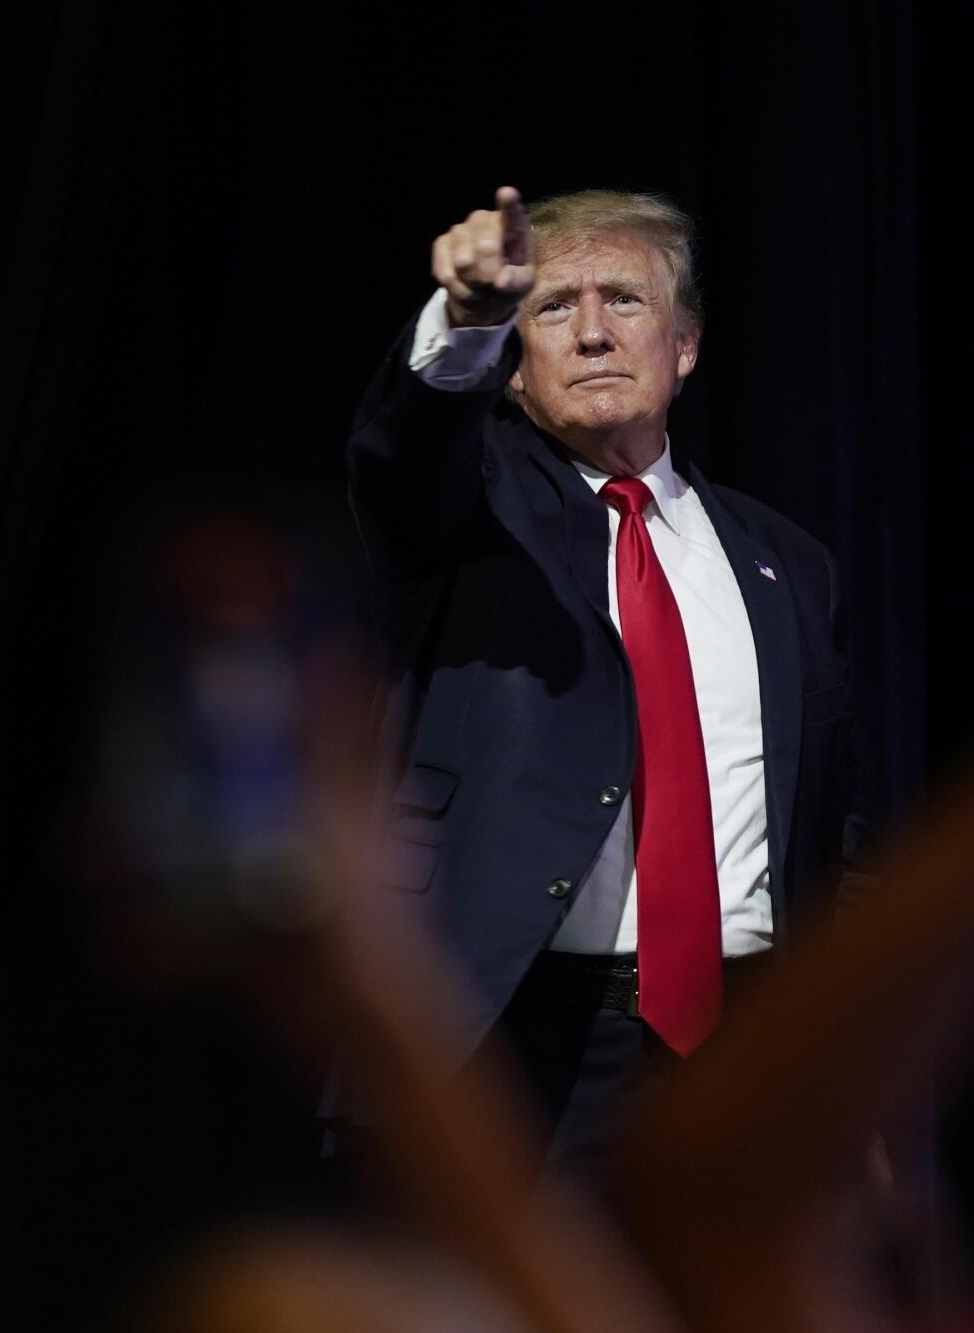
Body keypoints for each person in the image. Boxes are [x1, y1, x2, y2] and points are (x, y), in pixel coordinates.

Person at [341, 185, 872, 1168]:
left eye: (622, 300)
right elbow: (401, 458)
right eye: (551, 308)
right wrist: (462, 321)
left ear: (683, 346)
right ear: (512, 370)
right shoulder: (469, 523)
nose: (590, 333)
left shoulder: (788, 564)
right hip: (523, 1053)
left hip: (749, 1044)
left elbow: (831, 832)